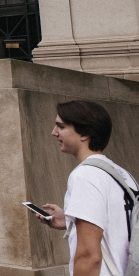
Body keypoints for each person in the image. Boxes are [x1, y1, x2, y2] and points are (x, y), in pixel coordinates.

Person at [36, 100, 137, 276]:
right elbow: (117, 226)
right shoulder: (124, 175)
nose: (54, 133)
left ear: (84, 133)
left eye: (61, 126)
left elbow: (89, 256)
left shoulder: (86, 175)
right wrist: (69, 220)